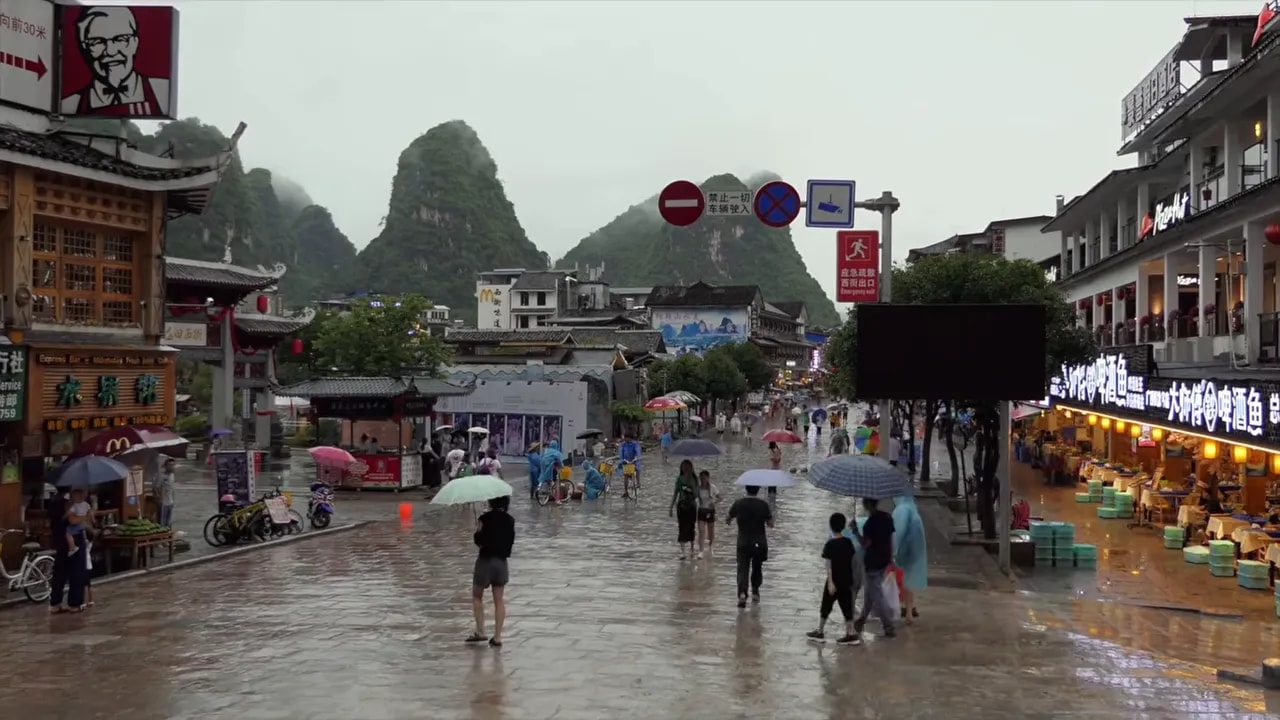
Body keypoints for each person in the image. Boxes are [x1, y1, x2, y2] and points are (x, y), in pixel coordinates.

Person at [467, 496, 515, 648]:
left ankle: (481, 631)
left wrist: (478, 531)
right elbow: (510, 540)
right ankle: (498, 636)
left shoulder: (484, 518)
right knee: (499, 600)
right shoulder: (510, 520)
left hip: (485, 560)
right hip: (501, 562)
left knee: (477, 595)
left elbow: (479, 540)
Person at [807, 512, 860, 645]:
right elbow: (853, 561)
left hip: (834, 581)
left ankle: (820, 631)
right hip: (846, 581)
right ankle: (850, 633)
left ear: (831, 526)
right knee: (847, 607)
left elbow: (828, 565)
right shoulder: (848, 542)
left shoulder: (830, 544)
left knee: (826, 605)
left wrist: (830, 582)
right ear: (843, 526)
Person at [854, 497, 897, 638]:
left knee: (877, 595)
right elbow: (890, 539)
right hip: (884, 559)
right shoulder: (887, 517)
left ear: (867, 504)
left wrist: (855, 532)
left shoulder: (869, 524)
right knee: (870, 592)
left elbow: (865, 544)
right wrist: (891, 558)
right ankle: (861, 620)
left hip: (872, 562)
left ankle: (888, 625)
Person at [726, 485, 773, 608]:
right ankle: (755, 591)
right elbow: (770, 524)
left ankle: (742, 593)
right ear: (757, 490)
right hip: (759, 542)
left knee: (743, 568)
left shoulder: (738, 503)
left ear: (746, 489)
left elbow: (728, 519)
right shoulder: (763, 505)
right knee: (757, 566)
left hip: (743, 542)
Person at [892, 493, 927, 623]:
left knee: (899, 579)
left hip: (904, 549)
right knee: (909, 581)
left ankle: (901, 609)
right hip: (915, 550)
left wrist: (893, 552)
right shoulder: (912, 509)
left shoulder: (901, 510)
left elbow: (897, 533)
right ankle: (909, 611)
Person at [669, 460, 699, 559]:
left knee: (691, 527)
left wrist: (690, 490)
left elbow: (697, 494)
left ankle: (691, 549)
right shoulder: (679, 479)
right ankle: (683, 552)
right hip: (681, 506)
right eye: (683, 467)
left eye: (687, 467)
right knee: (682, 527)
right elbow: (675, 493)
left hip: (692, 506)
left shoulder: (694, 479)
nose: (685, 469)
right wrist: (671, 507)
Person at [695, 470, 720, 557]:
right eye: (701, 478)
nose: (703, 479)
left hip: (710, 510)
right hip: (701, 510)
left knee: (711, 531)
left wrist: (714, 502)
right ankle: (701, 551)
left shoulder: (713, 487)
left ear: (708, 478)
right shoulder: (698, 488)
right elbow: (694, 497)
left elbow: (720, 497)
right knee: (701, 531)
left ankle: (711, 547)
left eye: (704, 478)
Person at [65, 488, 91, 557]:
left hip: (77, 525)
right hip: (83, 525)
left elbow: (71, 517)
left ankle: (72, 547)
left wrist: (65, 515)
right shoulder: (86, 504)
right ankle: (86, 541)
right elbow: (90, 513)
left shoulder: (75, 505)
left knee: (68, 533)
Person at [156, 458, 176, 528]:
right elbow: (156, 488)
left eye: (173, 465)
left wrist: (173, 500)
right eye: (170, 465)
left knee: (169, 522)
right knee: (162, 522)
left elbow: (172, 489)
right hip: (163, 503)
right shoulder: (161, 476)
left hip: (170, 502)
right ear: (165, 466)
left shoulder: (172, 476)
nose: (172, 467)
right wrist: (159, 499)